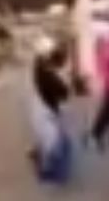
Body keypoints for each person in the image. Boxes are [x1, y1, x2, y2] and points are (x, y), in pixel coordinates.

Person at [27, 39, 76, 184]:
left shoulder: (39, 66)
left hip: (39, 104)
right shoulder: (52, 79)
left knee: (46, 134)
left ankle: (39, 153)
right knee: (55, 143)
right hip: (47, 110)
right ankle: (46, 172)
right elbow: (65, 94)